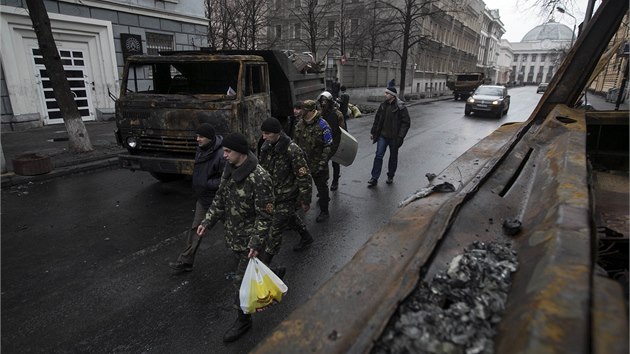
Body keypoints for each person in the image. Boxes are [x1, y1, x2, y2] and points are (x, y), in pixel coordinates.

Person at [196, 132, 275, 343]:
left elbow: (265, 216)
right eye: (224, 151)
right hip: (234, 238)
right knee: (248, 273)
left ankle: (243, 321)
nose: (224, 155)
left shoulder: (260, 177)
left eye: (228, 151)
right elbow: (220, 199)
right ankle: (272, 271)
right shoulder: (229, 170)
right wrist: (207, 222)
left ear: (241, 152)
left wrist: (257, 242)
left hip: (250, 242)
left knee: (240, 284)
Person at [169, 123, 225, 272]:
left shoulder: (221, 154)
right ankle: (186, 261)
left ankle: (252, 262)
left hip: (219, 200)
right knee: (196, 229)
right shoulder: (201, 150)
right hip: (203, 198)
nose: (197, 139)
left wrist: (208, 183)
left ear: (210, 138)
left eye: (201, 137)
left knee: (235, 232)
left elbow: (226, 178)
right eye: (197, 136)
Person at [258, 117, 314, 255]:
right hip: (273, 195)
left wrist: (305, 200)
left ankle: (265, 264)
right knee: (290, 219)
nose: (264, 137)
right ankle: (306, 236)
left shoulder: (292, 150)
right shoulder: (266, 147)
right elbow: (262, 171)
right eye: (263, 133)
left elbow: (304, 176)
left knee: (274, 233)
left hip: (288, 197)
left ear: (278, 133)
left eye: (267, 133)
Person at [293, 100, 333, 223]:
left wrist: (322, 162)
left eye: (303, 109)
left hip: (318, 164)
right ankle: (299, 206)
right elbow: (295, 142)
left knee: (321, 188)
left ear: (310, 111)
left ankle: (324, 211)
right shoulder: (300, 124)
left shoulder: (323, 125)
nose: (300, 111)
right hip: (303, 163)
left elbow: (328, 145)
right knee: (300, 186)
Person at [368, 87, 410, 187]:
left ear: (392, 95)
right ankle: (374, 178)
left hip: (394, 138)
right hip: (383, 136)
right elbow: (377, 119)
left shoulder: (401, 107)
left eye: (387, 93)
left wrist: (400, 137)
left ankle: (390, 176)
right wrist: (373, 132)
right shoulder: (383, 105)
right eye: (385, 93)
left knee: (393, 157)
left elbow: (406, 123)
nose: (385, 94)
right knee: (378, 155)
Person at [318, 91, 344, 192]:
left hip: (335, 142)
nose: (323, 103)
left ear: (330, 102)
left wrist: (340, 143)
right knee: (323, 165)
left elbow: (343, 130)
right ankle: (323, 187)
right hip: (323, 143)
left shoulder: (338, 114)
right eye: (321, 101)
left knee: (335, 163)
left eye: (325, 101)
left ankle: (335, 180)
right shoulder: (319, 114)